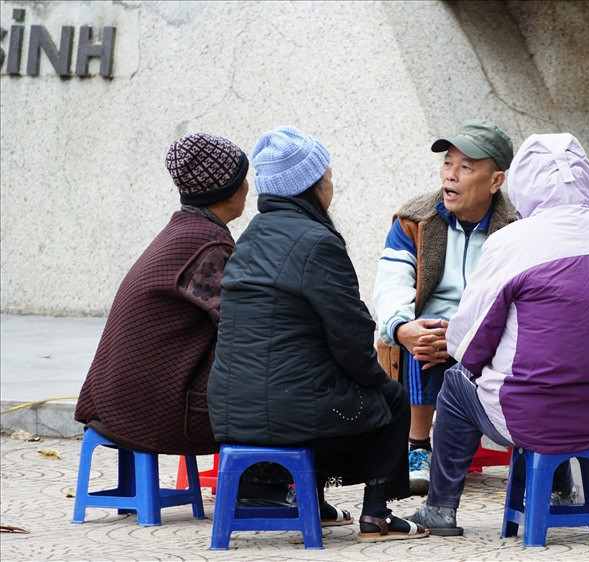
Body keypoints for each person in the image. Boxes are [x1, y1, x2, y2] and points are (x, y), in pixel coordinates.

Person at [408, 133, 589, 536]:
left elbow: (467, 347)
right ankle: (563, 494)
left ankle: (440, 509)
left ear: (519, 181)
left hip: (530, 418)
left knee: (455, 383)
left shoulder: (512, 242)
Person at [207, 126, 427, 542]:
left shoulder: (250, 237)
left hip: (231, 411)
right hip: (291, 412)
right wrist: (376, 380)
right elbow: (350, 333)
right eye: (325, 175)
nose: (331, 183)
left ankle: (315, 503)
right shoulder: (316, 242)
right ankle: (377, 516)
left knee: (316, 385)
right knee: (391, 399)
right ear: (307, 186)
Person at [75, 132, 249, 456]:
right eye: (243, 178)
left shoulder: (185, 231)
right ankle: (260, 485)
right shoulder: (208, 244)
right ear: (229, 191)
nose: (248, 187)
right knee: (268, 362)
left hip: (116, 400)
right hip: (144, 413)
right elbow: (243, 321)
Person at [372, 119, 518, 494]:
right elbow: (391, 283)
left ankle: (519, 439)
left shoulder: (516, 227)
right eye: (447, 164)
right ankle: (418, 447)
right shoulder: (415, 218)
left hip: (489, 332)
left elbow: (518, 297)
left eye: (466, 167)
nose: (450, 176)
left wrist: (463, 334)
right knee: (425, 332)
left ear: (496, 180)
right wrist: (400, 327)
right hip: (433, 334)